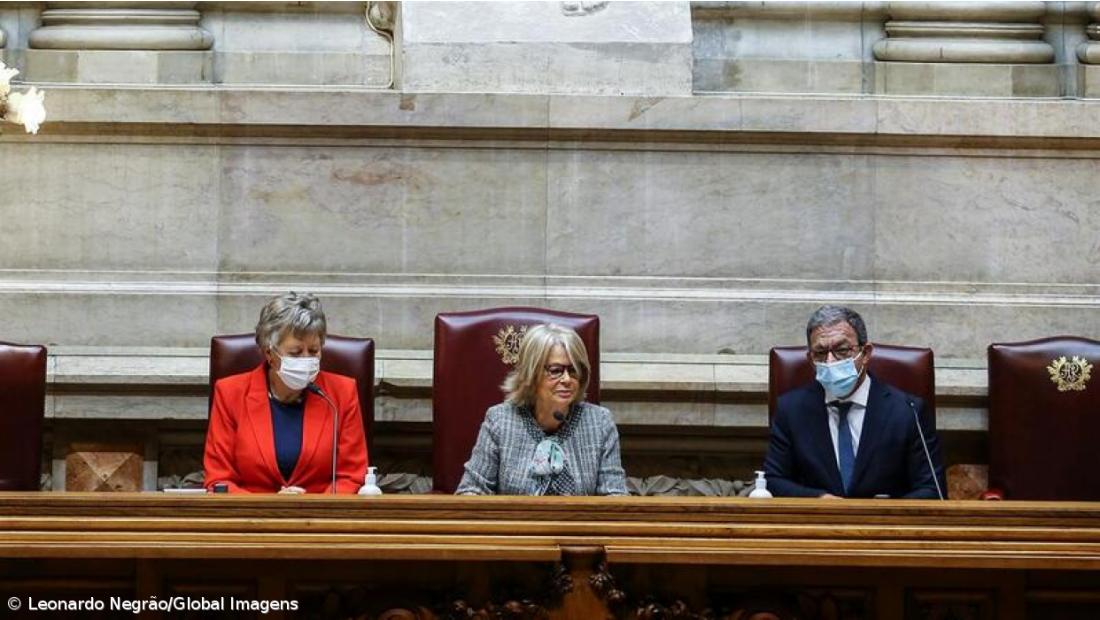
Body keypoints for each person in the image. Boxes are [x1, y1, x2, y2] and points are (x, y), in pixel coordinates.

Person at [763, 305, 945, 499]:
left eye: (841, 350)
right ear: (810, 359)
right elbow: (773, 481)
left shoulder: (908, 411)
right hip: (817, 524)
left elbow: (932, 489)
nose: (830, 362)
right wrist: (818, 499)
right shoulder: (791, 410)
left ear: (865, 353)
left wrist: (882, 515)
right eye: (821, 353)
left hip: (887, 527)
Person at [204, 292, 368, 494]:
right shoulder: (231, 393)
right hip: (251, 519)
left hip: (321, 520)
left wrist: (312, 509)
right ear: (269, 354)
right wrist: (271, 507)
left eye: (314, 350)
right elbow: (219, 480)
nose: (307, 359)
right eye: (295, 353)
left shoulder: (341, 394)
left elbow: (352, 476)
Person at [456, 323, 627, 496]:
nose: (567, 379)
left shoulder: (599, 423)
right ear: (532, 373)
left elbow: (615, 497)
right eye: (556, 370)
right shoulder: (500, 421)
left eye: (574, 370)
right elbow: (471, 491)